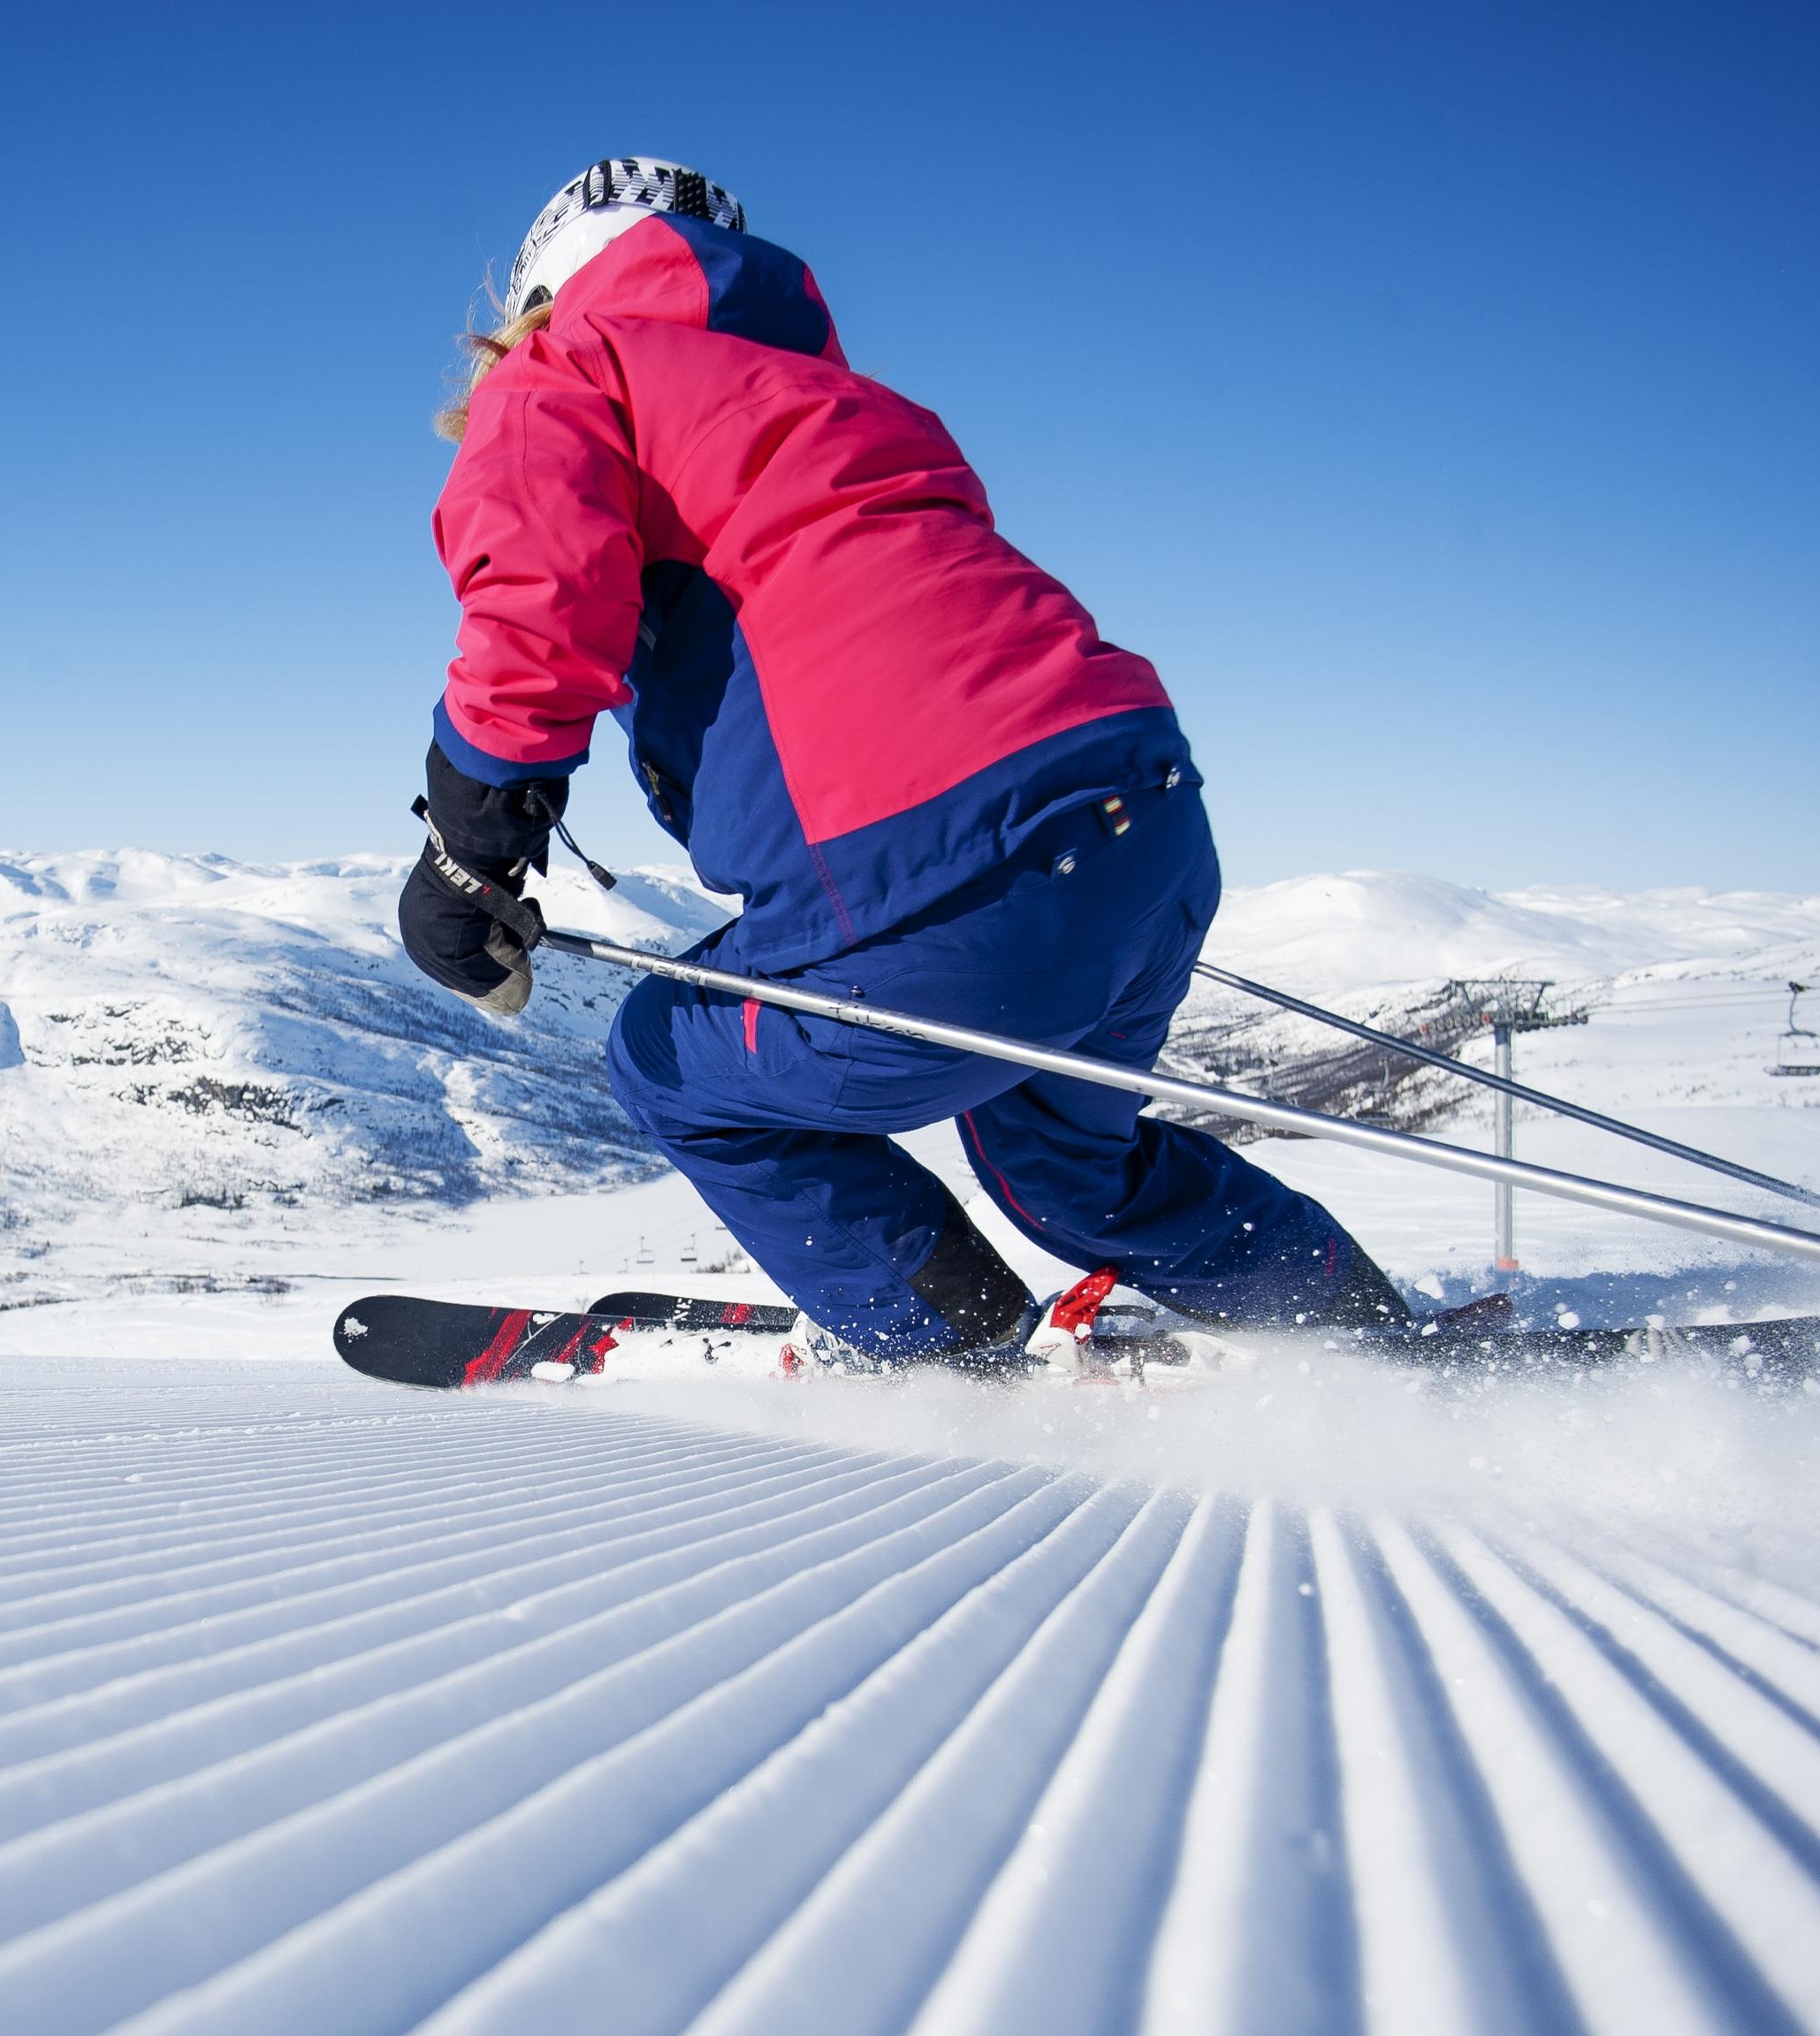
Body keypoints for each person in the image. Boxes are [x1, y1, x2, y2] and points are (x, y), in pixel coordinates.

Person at [400, 157, 1419, 1369]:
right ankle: (1359, 1334)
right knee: (1065, 1166)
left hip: (929, 867)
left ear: (542, 294)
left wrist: (465, 851)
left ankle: (951, 1355)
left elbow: (537, 603)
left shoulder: (571, 370)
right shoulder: (839, 401)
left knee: (668, 1063)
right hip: (1142, 815)